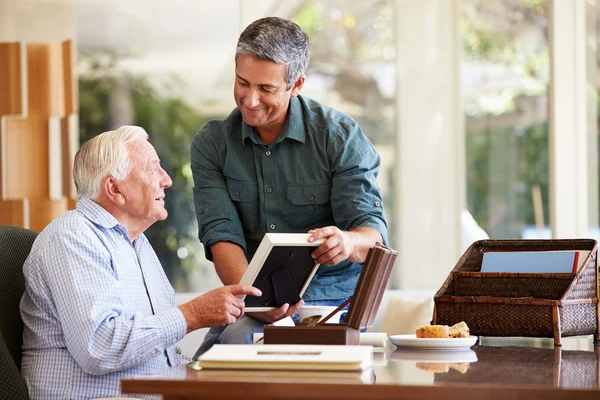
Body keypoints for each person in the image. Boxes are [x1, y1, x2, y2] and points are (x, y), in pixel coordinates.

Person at [190, 17, 388, 355]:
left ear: (296, 85)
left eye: (266, 89)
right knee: (212, 361)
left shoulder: (339, 137)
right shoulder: (212, 144)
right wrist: (258, 302)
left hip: (330, 305)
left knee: (240, 348)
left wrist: (347, 241)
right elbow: (222, 238)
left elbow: (373, 238)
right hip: (253, 300)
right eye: (242, 83)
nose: (250, 100)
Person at [20, 125, 261, 400]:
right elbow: (101, 347)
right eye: (152, 168)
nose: (167, 180)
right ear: (114, 188)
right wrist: (193, 314)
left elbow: (162, 356)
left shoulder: (138, 244)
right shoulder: (72, 236)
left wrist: (208, 374)